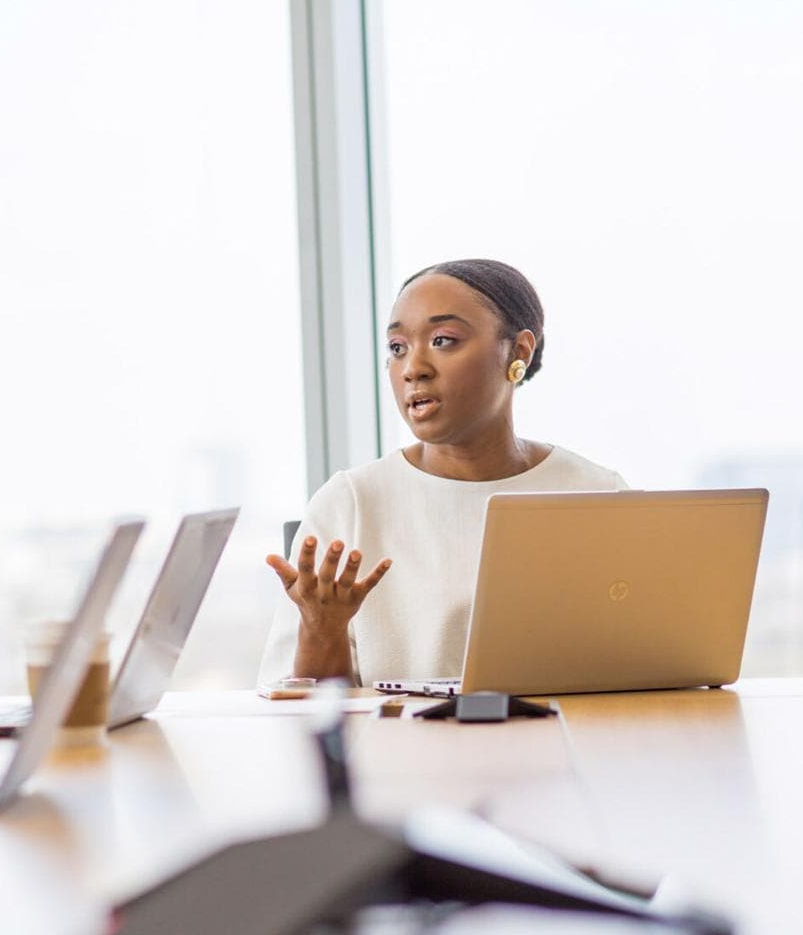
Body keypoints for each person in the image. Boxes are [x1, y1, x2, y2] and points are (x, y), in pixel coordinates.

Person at [258, 259, 627, 685]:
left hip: (568, 747)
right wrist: (324, 630)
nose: (413, 368)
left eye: (443, 340)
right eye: (397, 348)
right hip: (402, 751)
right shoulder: (353, 502)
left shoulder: (600, 493)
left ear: (519, 352)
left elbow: (648, 668)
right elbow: (303, 712)